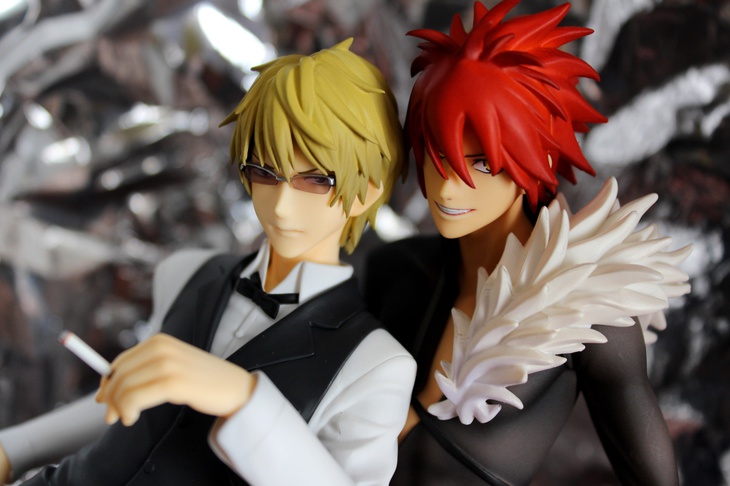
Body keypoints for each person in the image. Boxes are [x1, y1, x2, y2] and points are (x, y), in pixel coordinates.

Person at [0, 38, 415, 486]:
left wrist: (244, 398)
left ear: (368, 190)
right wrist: (14, 448)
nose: (281, 206)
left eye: (315, 180)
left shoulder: (376, 365)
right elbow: (128, 396)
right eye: (264, 172)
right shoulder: (186, 273)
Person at [364, 1, 692, 485]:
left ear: (536, 159)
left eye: (482, 163)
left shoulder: (587, 309)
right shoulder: (397, 272)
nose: (448, 188)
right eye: (438, 153)